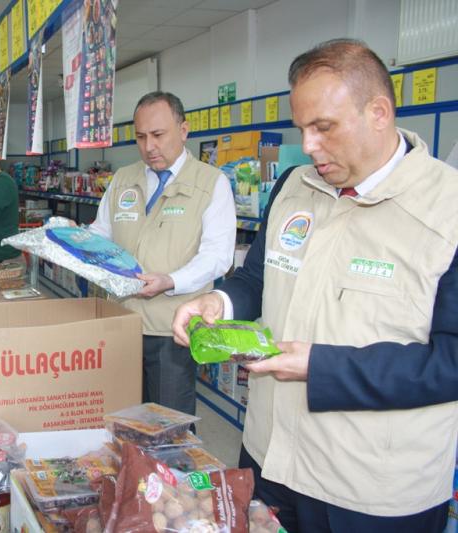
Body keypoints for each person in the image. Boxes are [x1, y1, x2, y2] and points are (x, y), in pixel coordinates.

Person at [172, 39, 457, 532]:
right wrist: (218, 300)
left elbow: (451, 361)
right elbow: (258, 276)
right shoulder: (293, 187)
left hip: (370, 491)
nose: (308, 146)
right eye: (302, 128)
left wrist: (323, 367)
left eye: (324, 127)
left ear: (379, 112)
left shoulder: (447, 209)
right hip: (270, 456)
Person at [88, 91, 236, 416]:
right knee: (123, 416)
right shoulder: (123, 179)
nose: (148, 146)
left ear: (183, 130)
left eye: (158, 135)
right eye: (140, 137)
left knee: (170, 423)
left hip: (173, 328)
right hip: (121, 322)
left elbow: (218, 255)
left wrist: (170, 280)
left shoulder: (212, 183)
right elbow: (101, 234)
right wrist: (75, 241)